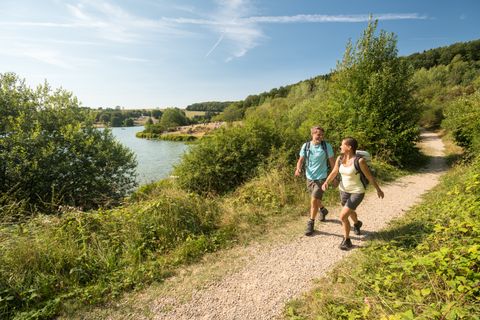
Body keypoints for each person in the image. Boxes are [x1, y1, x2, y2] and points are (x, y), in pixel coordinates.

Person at [322, 137, 384, 250]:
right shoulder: (340, 158)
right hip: (343, 190)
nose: (340, 146)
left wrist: (378, 189)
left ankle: (347, 240)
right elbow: (335, 171)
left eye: (342, 145)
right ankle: (357, 223)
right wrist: (326, 182)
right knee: (349, 211)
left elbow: (369, 176)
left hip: (357, 191)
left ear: (349, 147)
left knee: (343, 216)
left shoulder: (360, 161)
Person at [295, 126, 335, 236]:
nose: (320, 137)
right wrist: (298, 168)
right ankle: (322, 209)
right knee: (316, 200)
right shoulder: (306, 146)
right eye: (318, 135)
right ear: (312, 134)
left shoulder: (326, 146)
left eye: (322, 135)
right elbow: (301, 160)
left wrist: (334, 177)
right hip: (309, 177)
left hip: (322, 178)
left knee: (313, 200)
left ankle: (311, 223)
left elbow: (332, 162)